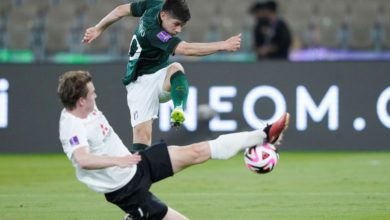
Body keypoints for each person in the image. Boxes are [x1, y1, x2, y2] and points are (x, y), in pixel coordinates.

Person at [58, 70, 290, 220]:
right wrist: (119, 160)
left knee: (198, 151)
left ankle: (263, 135)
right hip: (126, 190)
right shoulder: (73, 126)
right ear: (80, 101)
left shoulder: (87, 108)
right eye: (92, 94)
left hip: (137, 166)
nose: (96, 96)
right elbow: (83, 159)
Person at [82, 0, 242, 152]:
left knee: (176, 68)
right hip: (138, 83)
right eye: (176, 24)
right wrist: (223, 45)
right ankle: (134, 174)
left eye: (182, 25)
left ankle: (178, 109)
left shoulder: (155, 3)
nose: (179, 30)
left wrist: (99, 28)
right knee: (142, 142)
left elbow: (120, 11)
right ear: (164, 15)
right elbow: (186, 50)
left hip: (159, 74)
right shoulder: (155, 33)